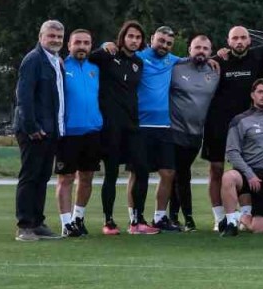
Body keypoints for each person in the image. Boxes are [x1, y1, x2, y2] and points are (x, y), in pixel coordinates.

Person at [204, 26, 262, 233]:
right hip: (218, 124)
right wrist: (212, 55)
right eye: (235, 38)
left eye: (243, 37)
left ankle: (245, 214)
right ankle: (219, 217)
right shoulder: (217, 61)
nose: (239, 41)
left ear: (249, 40)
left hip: (247, 126)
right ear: (228, 41)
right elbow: (194, 60)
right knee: (217, 169)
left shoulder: (257, 59)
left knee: (245, 170)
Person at [14, 20, 66, 242]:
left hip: (52, 129)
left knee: (43, 177)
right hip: (35, 130)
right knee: (30, 176)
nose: (55, 40)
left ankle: (37, 222)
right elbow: (24, 96)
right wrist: (32, 127)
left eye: (59, 37)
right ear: (41, 36)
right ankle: (25, 226)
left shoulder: (56, 61)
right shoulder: (33, 60)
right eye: (51, 36)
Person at [91, 20, 144, 235]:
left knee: (141, 169)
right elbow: (89, 57)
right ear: (123, 37)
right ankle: (109, 221)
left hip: (132, 124)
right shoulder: (107, 55)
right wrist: (103, 45)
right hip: (110, 126)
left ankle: (137, 220)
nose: (134, 40)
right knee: (111, 173)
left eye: (138, 37)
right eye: (130, 36)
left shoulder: (139, 63)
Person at [127, 26, 180, 234]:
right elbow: (116, 53)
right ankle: (134, 220)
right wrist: (107, 45)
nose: (164, 46)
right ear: (151, 39)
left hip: (164, 126)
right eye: (161, 41)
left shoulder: (172, 60)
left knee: (168, 172)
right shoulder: (138, 57)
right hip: (139, 126)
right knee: (138, 174)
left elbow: (195, 58)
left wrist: (216, 56)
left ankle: (159, 217)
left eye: (168, 43)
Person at [167, 34, 220, 233]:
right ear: (189, 49)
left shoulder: (214, 71)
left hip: (196, 133)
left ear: (210, 51)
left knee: (180, 174)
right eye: (197, 47)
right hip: (174, 130)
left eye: (205, 49)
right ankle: (184, 218)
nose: (201, 52)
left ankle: (177, 218)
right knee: (178, 173)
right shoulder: (176, 67)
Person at [220, 79, 263, 236]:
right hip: (246, 174)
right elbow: (232, 152)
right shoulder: (240, 120)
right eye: (260, 92)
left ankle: (242, 217)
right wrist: (250, 175)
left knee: (260, 229)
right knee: (228, 177)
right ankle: (230, 222)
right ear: (252, 95)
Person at [56, 29, 102, 238]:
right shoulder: (61, 66)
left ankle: (78, 218)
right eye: (78, 42)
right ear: (69, 45)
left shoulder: (95, 69)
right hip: (69, 133)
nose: (82, 46)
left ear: (91, 46)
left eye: (86, 42)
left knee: (87, 177)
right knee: (65, 178)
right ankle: (65, 223)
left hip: (92, 131)